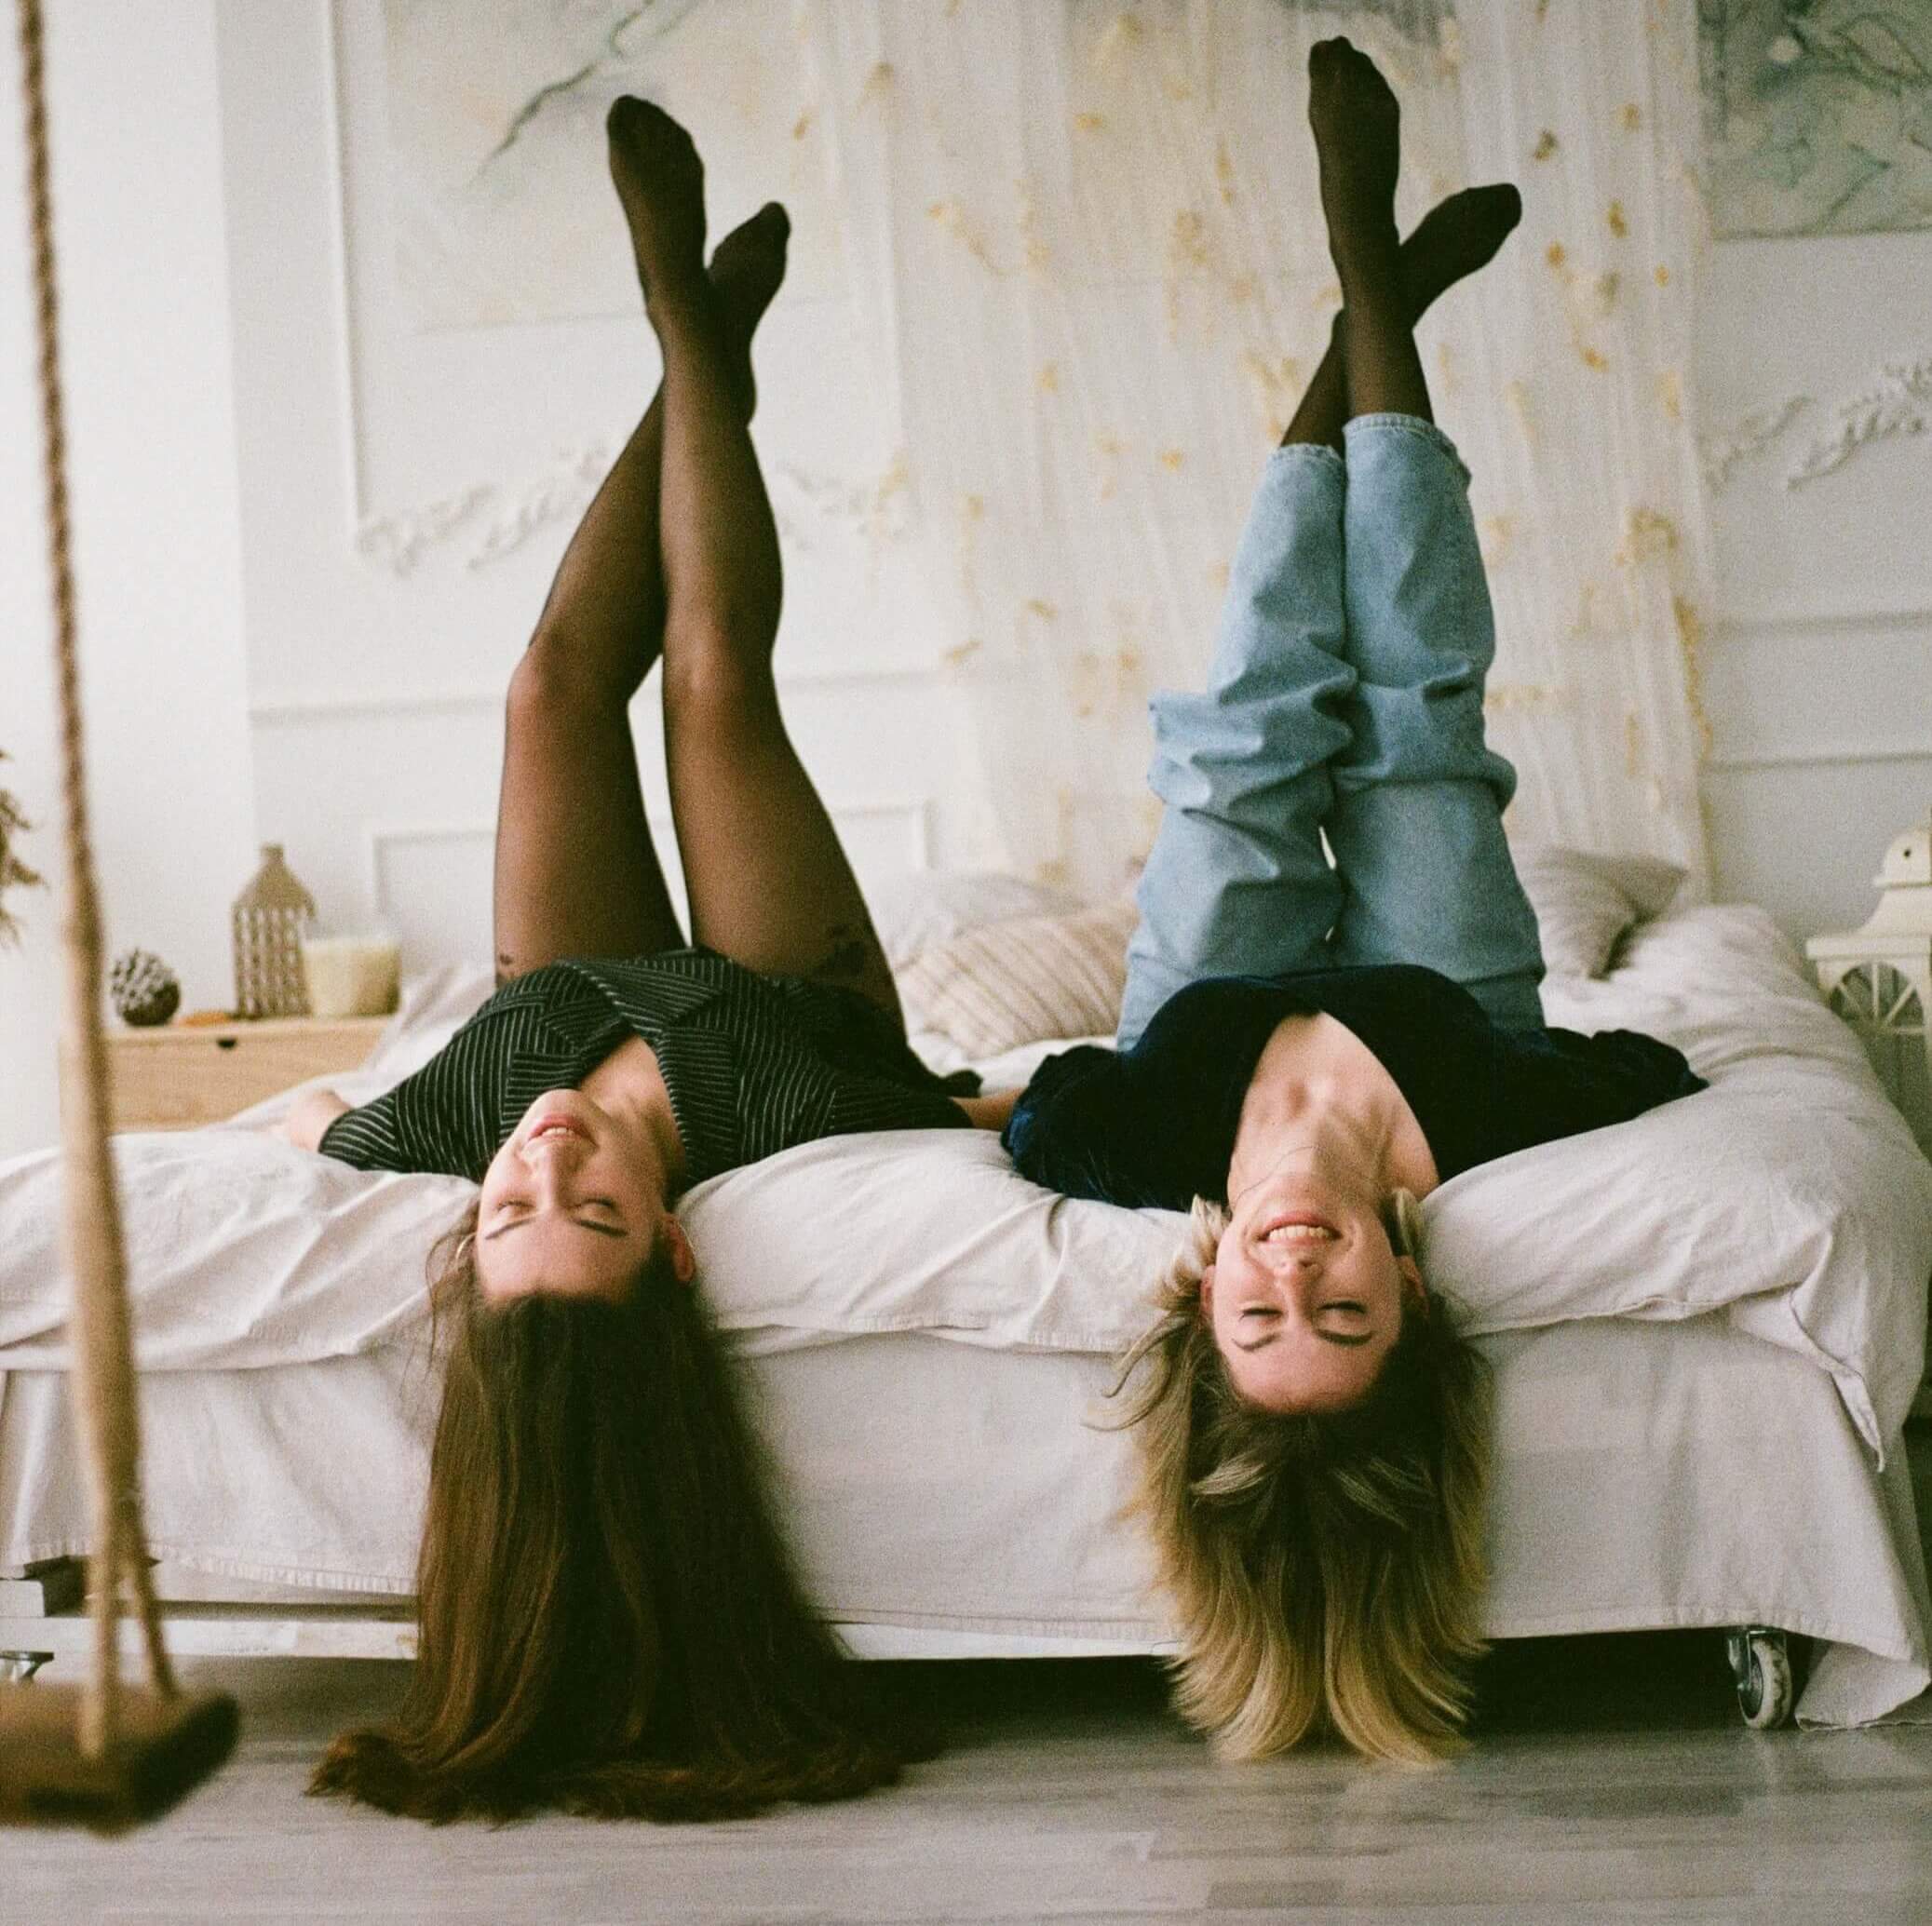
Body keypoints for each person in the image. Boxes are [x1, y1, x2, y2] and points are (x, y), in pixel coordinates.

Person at [282, 98, 998, 1822]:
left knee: (543, 686)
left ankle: (705, 351)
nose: (544, 1162)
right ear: (676, 1247)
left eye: (511, 1213)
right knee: (707, 683)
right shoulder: (790, 1118)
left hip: (571, 985)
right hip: (782, 1002)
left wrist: (307, 1125)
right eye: (589, 1210)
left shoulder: (459, 1137)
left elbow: (327, 1138)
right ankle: (688, 323)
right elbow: (961, 1138)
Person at [1000, 40, 1707, 1764]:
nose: (1300, 1273)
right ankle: (1373, 265)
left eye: (1262, 1313)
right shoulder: (1489, 1116)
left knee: (1252, 721)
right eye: (1346, 1314)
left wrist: (987, 1097)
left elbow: (1034, 1103)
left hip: (1205, 1006)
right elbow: (1653, 1074)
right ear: (1409, 1284)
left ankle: (1357, 301)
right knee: (1411, 713)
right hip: (1431, 996)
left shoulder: (1138, 1138)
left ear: (1204, 1281)